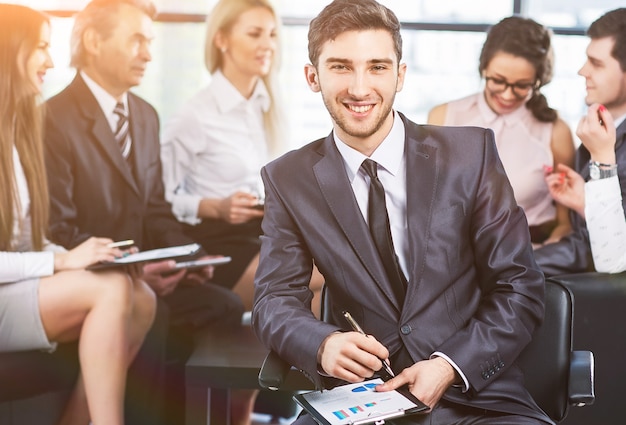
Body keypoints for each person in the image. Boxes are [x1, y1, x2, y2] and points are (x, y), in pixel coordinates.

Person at [252, 1, 552, 424]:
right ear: (312, 77)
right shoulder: (287, 178)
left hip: (476, 400)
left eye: (377, 67)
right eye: (341, 67)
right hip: (361, 402)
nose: (359, 88)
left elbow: (519, 286)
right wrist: (322, 344)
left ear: (400, 75)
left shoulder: (471, 155)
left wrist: (449, 365)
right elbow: (273, 300)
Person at [42, 1, 244, 424]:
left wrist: (186, 258)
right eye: (137, 40)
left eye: (150, 42)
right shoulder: (52, 119)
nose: (148, 55)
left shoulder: (145, 116)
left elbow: (155, 209)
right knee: (155, 316)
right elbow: (58, 229)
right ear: (94, 42)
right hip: (96, 278)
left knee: (224, 306)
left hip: (147, 272)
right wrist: (131, 271)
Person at [0, 4, 155, 425]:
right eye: (40, 48)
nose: (51, 61)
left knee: (140, 295)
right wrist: (61, 260)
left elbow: (23, 238)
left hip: (16, 282)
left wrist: (93, 253)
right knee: (108, 292)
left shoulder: (20, 131)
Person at [160, 0, 324, 319]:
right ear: (221, 40)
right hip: (218, 244)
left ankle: (303, 366)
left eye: (273, 34)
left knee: (335, 286)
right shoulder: (193, 116)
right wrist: (214, 206)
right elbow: (158, 201)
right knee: (330, 277)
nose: (268, 45)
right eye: (254, 34)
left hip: (260, 233)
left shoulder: (267, 106)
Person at [427, 16, 575, 246]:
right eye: (498, 80)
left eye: (522, 85)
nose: (507, 95)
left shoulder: (555, 130)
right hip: (458, 252)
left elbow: (565, 222)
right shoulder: (444, 117)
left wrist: (550, 248)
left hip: (531, 253)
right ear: (483, 67)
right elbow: (429, 201)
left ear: (539, 80)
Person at [535, 8, 626, 276]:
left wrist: (520, 262)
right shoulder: (599, 132)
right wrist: (583, 201)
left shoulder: (600, 143)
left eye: (596, 64)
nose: (582, 71)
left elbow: (611, 257)